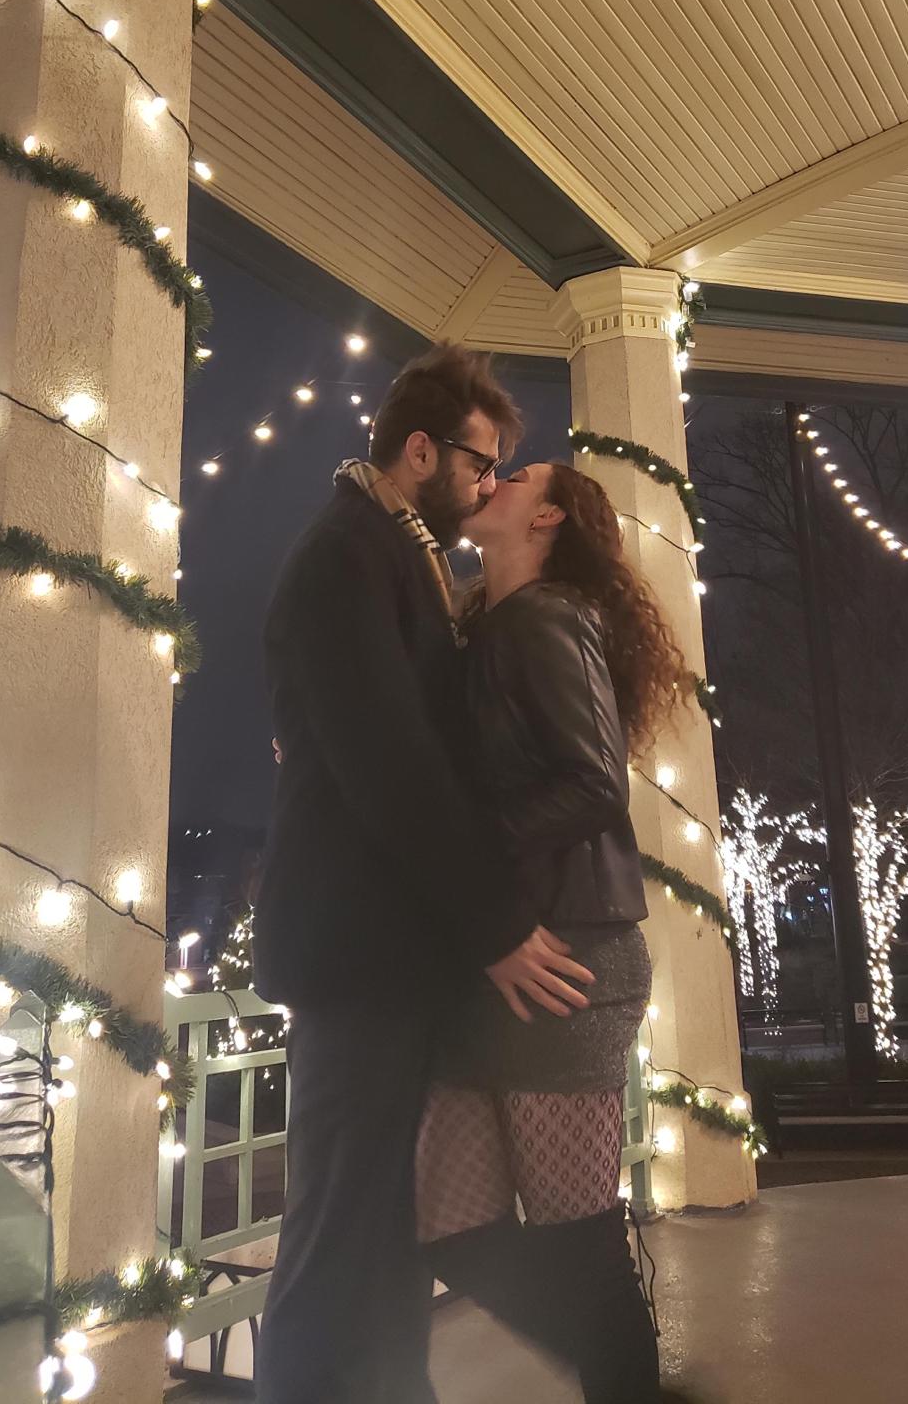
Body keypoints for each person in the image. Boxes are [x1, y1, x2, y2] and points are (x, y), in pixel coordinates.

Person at [252, 345, 595, 1404]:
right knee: (338, 1233)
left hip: (392, 957)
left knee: (389, 1231)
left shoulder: (396, 556)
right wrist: (496, 923)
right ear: (419, 451)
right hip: (356, 963)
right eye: (480, 464)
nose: (488, 484)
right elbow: (390, 767)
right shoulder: (346, 557)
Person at [416, 460, 695, 1403]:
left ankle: (627, 1383)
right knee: (453, 1227)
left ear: (547, 517)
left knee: (581, 1239)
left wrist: (457, 852)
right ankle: (626, 1373)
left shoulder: (545, 618)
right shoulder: (490, 625)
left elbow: (593, 785)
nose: (491, 474)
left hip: (566, 960)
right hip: (496, 961)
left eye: (518, 473)